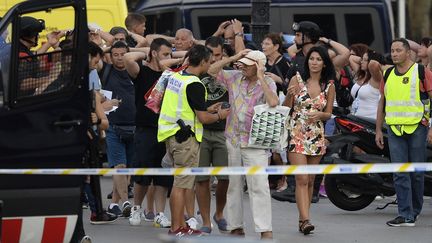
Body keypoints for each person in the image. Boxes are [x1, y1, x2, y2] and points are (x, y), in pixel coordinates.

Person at [157, 44, 230, 236]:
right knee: (181, 186)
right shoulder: (196, 84)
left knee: (178, 183)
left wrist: (210, 108)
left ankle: (179, 224)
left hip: (171, 134)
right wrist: (220, 115)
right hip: (185, 139)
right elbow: (204, 119)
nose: (211, 65)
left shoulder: (175, 76)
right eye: (210, 61)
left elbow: (185, 105)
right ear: (204, 62)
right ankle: (177, 227)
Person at [208, 50, 278, 239]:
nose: (243, 67)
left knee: (259, 186)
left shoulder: (268, 82)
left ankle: (265, 228)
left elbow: (273, 102)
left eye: (248, 64)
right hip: (233, 139)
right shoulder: (234, 77)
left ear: (258, 66)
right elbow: (211, 71)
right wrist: (233, 58)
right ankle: (235, 225)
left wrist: (262, 77)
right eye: (243, 64)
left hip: (256, 142)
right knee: (233, 184)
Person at [375, 38, 432, 227]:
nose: (394, 54)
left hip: (417, 127)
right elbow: (382, 102)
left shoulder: (422, 72)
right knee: (400, 172)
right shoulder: (388, 74)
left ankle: (414, 211)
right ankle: (405, 213)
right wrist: (378, 130)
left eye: (398, 50)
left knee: (416, 173)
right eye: (392, 50)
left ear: (408, 53)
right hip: (394, 129)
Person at [284, 46, 336, 235]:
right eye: (311, 59)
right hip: (297, 133)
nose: (314, 62)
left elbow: (329, 113)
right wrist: (290, 94)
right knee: (302, 178)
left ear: (324, 63)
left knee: (311, 179)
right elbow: (286, 108)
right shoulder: (296, 80)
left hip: (316, 135)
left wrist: (320, 114)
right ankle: (306, 220)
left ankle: (302, 219)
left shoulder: (329, 86)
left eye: (318, 59)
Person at [124, 38, 175, 228]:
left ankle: (160, 214)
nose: (169, 58)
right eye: (164, 54)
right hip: (146, 129)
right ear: (154, 54)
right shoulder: (142, 72)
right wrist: (147, 50)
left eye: (170, 54)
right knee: (143, 172)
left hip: (166, 129)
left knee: (163, 174)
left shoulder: (171, 75)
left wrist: (168, 58)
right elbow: (129, 57)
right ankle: (137, 208)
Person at [195, 36, 230, 234]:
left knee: (224, 178)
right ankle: (206, 221)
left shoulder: (228, 74)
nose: (213, 59)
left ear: (222, 55)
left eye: (217, 55)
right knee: (202, 179)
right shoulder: (198, 72)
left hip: (223, 132)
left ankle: (219, 213)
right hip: (202, 130)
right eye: (210, 55)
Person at [101, 41, 134, 218]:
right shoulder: (105, 70)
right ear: (110, 56)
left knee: (125, 169)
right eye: (116, 54)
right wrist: (107, 50)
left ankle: (114, 204)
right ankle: (126, 201)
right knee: (119, 166)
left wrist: (129, 51)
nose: (120, 57)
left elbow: (146, 48)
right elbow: (95, 55)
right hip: (113, 126)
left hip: (134, 126)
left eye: (123, 54)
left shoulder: (135, 70)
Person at [261, 32, 291, 191]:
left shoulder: (285, 63)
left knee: (279, 149)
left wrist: (277, 79)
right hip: (264, 109)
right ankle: (268, 180)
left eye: (267, 44)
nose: (263, 47)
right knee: (267, 148)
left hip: (281, 109)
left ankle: (284, 179)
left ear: (277, 46)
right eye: (263, 44)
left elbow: (292, 85)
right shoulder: (262, 62)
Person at [349, 49, 384, 119]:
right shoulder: (361, 75)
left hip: (370, 121)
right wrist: (364, 58)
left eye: (365, 60)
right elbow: (351, 58)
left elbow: (373, 64)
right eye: (361, 59)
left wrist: (373, 55)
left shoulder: (376, 79)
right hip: (357, 120)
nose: (361, 62)